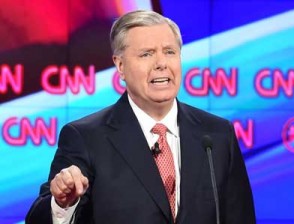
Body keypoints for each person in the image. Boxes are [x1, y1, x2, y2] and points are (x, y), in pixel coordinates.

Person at [26, 10, 256, 224]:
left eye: (169, 52)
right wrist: (62, 204)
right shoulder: (86, 138)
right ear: (120, 66)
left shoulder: (216, 135)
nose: (161, 64)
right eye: (146, 54)